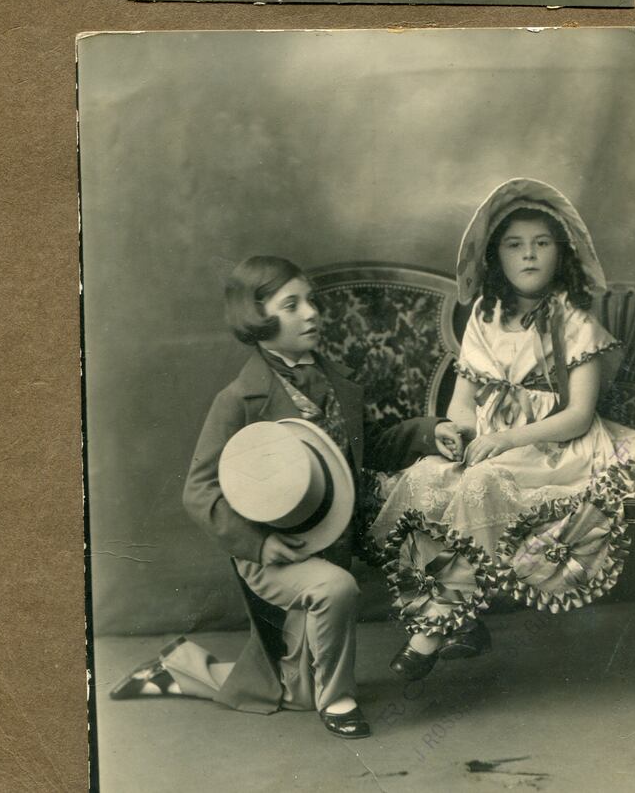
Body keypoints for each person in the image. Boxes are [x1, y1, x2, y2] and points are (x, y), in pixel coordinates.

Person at [110, 256, 457, 739]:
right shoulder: (238, 400)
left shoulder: (334, 380)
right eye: (291, 305)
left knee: (294, 693)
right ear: (259, 318)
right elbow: (199, 489)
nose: (311, 313)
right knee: (336, 589)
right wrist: (257, 544)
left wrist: (430, 430)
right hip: (277, 551)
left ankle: (184, 665)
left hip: (332, 537)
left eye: (310, 301)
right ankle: (338, 700)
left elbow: (365, 445)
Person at [370, 179, 635, 681]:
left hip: (557, 446)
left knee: (481, 485)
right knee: (427, 477)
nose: (529, 255)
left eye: (542, 244)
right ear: (497, 257)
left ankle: (430, 631)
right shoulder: (484, 318)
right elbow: (466, 402)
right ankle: (459, 616)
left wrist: (505, 440)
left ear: (561, 253)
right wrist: (455, 432)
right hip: (494, 443)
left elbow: (578, 415)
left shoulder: (573, 319)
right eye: (515, 245)